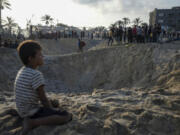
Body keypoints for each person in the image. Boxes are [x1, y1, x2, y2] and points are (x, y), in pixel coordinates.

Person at [14, 40, 72, 135]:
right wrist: (52, 111)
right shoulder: (36, 74)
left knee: (54, 103)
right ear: (30, 58)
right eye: (40, 55)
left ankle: (30, 119)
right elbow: (43, 99)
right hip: (31, 112)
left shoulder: (22, 71)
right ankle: (32, 123)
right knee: (66, 116)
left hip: (22, 110)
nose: (43, 57)